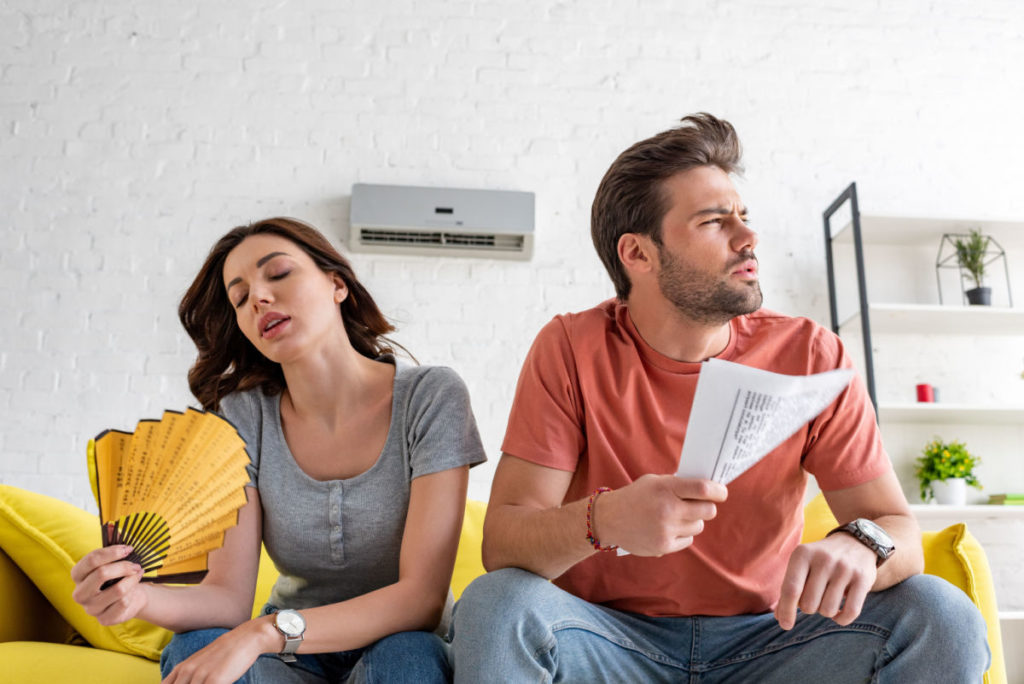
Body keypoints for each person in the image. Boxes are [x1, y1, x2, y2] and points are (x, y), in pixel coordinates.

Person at [450, 114, 989, 683]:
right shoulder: (571, 347)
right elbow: (504, 544)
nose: (748, 236)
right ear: (638, 253)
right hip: (605, 640)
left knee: (940, 613)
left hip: (772, 639)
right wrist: (601, 520)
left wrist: (861, 545)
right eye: (713, 221)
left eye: (743, 216)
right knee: (497, 603)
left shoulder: (810, 352)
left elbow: (896, 528)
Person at [72, 217, 486, 683]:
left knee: (407, 656)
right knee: (196, 644)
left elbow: (421, 600)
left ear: (337, 284)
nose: (259, 300)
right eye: (240, 297)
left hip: (392, 645)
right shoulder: (244, 417)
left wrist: (264, 633)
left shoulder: (430, 397)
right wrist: (136, 596)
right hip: (289, 661)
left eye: (278, 274)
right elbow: (227, 600)